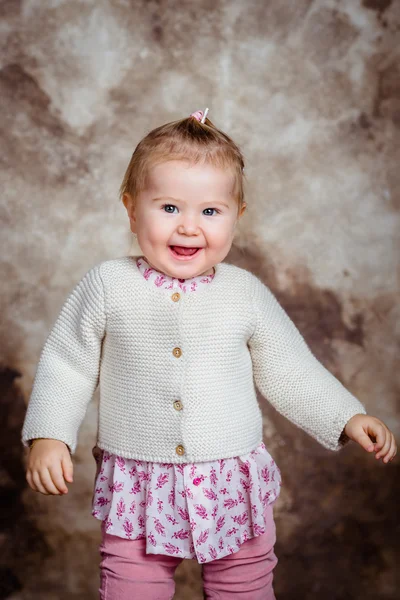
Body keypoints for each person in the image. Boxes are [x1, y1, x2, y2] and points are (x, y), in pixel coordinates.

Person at [21, 108, 397, 600]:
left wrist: (346, 415)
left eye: (210, 211)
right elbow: (67, 364)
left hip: (230, 483)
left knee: (243, 588)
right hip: (141, 484)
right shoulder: (108, 285)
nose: (189, 228)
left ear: (236, 218)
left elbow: (290, 367)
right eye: (169, 208)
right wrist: (49, 435)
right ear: (132, 210)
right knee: (132, 588)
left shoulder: (244, 293)